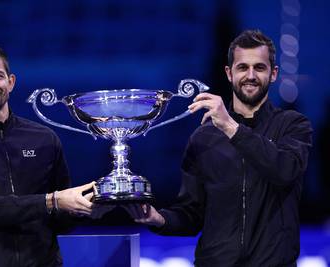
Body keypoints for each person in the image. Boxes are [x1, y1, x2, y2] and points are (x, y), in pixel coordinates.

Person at [125, 30, 313, 266]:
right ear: (229, 73)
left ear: (273, 74)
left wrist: (231, 127)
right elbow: (192, 215)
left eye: (260, 68)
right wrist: (159, 218)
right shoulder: (204, 137)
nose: (251, 75)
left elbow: (284, 170)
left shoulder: (293, 125)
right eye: (242, 67)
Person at [0, 43, 104, 266]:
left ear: (11, 82)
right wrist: (52, 201)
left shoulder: (43, 138)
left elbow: (61, 221)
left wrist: (86, 207)